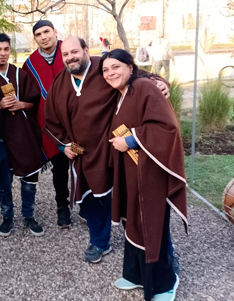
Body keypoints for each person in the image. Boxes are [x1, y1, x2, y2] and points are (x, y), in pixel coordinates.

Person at [45, 37, 170, 264]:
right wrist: (64, 145)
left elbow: (135, 75)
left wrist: (159, 82)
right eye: (65, 54)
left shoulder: (105, 67)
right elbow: (51, 120)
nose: (70, 57)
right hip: (84, 153)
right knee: (92, 200)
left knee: (132, 198)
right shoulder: (59, 83)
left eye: (75, 51)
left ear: (85, 50)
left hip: (116, 147)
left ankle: (154, 250)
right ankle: (100, 242)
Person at [101, 49, 187, 301]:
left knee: (150, 225)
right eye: (105, 69)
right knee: (134, 221)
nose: (110, 73)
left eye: (116, 67)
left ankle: (165, 283)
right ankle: (136, 274)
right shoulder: (123, 92)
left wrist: (129, 139)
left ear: (130, 67)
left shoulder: (144, 88)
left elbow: (166, 127)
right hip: (132, 171)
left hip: (151, 174)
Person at [0, 33, 45, 236]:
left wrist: (21, 104)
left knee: (29, 176)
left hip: (23, 134)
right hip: (1, 136)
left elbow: (34, 103)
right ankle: (7, 216)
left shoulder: (20, 74)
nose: (2, 53)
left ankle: (29, 215)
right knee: (5, 179)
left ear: (10, 50)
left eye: (6, 49)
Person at [22, 20, 72, 229]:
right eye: (38, 34)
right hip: (52, 128)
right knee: (59, 166)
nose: (43, 37)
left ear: (55, 31)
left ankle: (88, 204)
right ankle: (63, 206)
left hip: (77, 122)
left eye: (46, 32)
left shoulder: (69, 52)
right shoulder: (30, 64)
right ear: (35, 38)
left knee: (85, 164)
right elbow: (27, 94)